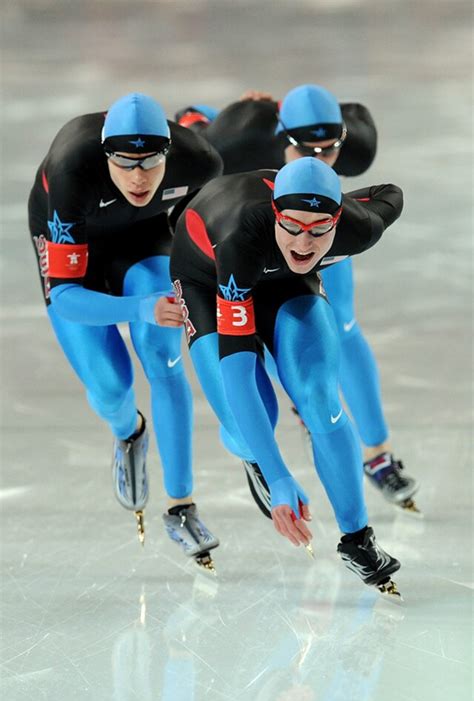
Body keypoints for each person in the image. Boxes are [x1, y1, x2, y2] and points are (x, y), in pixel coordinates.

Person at [175, 85, 420, 514]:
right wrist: (197, 119)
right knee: (255, 338)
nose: (317, 159)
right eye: (306, 149)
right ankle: (285, 415)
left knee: (339, 326)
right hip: (245, 242)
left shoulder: (356, 146)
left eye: (330, 152)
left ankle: (377, 453)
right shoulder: (239, 137)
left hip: (314, 231)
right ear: (280, 135)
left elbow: (380, 192)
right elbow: (187, 149)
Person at [170, 156, 404, 598]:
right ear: (275, 213)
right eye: (292, 225)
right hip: (208, 279)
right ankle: (253, 456)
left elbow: (392, 194)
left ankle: (358, 539)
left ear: (339, 220)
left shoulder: (360, 227)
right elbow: (237, 370)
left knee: (319, 397)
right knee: (248, 419)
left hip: (283, 285)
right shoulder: (241, 236)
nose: (304, 242)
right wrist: (277, 476)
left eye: (319, 230)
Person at [28, 92, 222, 570]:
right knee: (110, 384)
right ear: (104, 155)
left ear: (169, 155)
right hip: (79, 252)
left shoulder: (199, 161)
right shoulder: (72, 169)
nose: (138, 177)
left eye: (150, 163)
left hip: (144, 237)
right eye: (125, 163)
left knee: (163, 353)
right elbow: (68, 299)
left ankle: (181, 505)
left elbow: (199, 234)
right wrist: (139, 306)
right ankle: (129, 432)